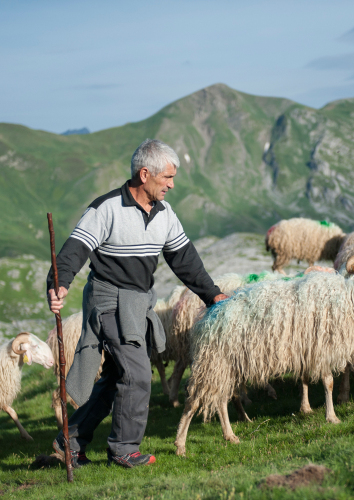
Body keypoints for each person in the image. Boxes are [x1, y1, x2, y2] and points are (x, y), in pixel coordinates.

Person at [47, 139, 228, 468]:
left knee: (118, 375)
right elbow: (75, 249)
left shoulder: (164, 214)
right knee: (138, 374)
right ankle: (124, 449)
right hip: (109, 301)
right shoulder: (106, 209)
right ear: (145, 174)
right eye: (167, 178)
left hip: (137, 303)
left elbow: (184, 259)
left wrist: (211, 293)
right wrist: (58, 283)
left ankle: (69, 440)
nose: (172, 185)